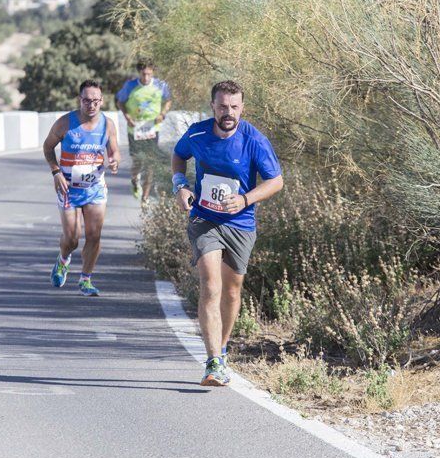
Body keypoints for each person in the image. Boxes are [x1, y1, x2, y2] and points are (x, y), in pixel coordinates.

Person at [172, 80, 283, 386]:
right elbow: (178, 155)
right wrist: (180, 186)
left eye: (234, 107)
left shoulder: (254, 140)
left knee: (232, 291)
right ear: (213, 107)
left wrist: (246, 199)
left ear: (242, 108)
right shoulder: (197, 133)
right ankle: (212, 363)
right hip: (204, 219)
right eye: (223, 106)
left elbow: (276, 181)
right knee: (211, 284)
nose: (228, 112)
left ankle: (221, 349)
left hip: (240, 223)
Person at [43, 80, 121, 296]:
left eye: (96, 101)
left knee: (94, 235)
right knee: (72, 238)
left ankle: (86, 280)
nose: (91, 105)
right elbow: (48, 147)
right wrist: (56, 172)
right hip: (68, 187)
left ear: (102, 101)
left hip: (94, 186)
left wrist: (114, 160)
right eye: (87, 100)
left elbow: (114, 151)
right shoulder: (64, 123)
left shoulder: (108, 124)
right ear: (80, 100)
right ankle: (63, 259)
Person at [115, 58, 172, 203]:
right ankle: (135, 180)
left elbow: (168, 100)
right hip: (135, 129)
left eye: (149, 74)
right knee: (138, 161)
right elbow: (120, 101)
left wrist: (162, 114)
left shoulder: (160, 85)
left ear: (153, 73)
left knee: (150, 163)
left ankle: (145, 197)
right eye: (143, 74)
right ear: (139, 73)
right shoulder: (130, 86)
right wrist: (127, 116)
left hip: (152, 129)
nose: (146, 78)